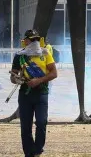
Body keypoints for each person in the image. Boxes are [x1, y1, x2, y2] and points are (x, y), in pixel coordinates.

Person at [11, 29, 58, 157]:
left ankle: (38, 150)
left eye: (36, 40)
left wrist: (39, 80)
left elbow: (54, 73)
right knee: (25, 126)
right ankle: (29, 152)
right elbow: (13, 76)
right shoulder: (20, 56)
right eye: (32, 40)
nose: (34, 42)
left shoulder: (46, 53)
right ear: (25, 41)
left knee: (42, 122)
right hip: (25, 94)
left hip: (42, 93)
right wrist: (17, 79)